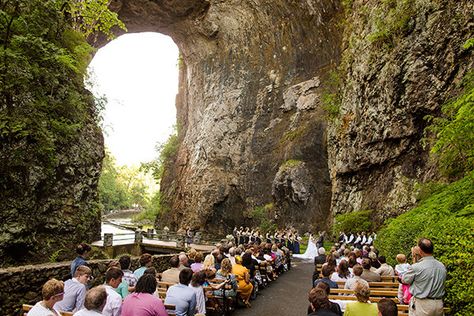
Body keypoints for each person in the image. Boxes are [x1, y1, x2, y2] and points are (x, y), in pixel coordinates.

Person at [402, 238, 446, 316]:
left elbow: (405, 280)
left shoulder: (416, 267)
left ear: (420, 250)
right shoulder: (441, 265)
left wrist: (415, 259)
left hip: (422, 304)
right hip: (439, 303)